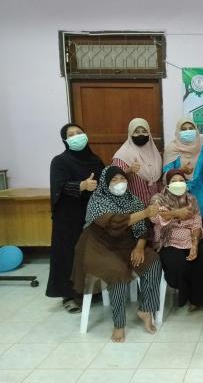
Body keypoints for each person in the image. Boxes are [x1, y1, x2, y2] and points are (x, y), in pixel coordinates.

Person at [71, 166, 162, 343]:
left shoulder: (133, 200)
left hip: (126, 245)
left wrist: (140, 247)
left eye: (122, 179)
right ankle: (119, 324)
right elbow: (115, 224)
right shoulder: (98, 200)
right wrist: (144, 213)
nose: (120, 183)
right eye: (114, 180)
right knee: (118, 270)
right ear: (105, 184)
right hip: (99, 247)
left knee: (153, 260)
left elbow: (142, 229)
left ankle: (146, 309)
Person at [46, 123, 104, 313]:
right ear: (65, 140)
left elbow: (105, 181)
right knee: (69, 254)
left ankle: (91, 291)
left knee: (91, 252)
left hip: (92, 213)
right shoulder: (60, 161)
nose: (76, 136)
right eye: (71, 134)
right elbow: (59, 187)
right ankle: (69, 295)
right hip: (68, 216)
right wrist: (82, 185)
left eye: (79, 132)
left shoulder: (95, 160)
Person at [150, 169, 203, 310]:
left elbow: (197, 223)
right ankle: (187, 294)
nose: (178, 183)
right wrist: (176, 213)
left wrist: (195, 244)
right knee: (178, 263)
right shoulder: (158, 199)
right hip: (168, 241)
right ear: (167, 184)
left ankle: (202, 299)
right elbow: (155, 217)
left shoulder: (191, 199)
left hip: (190, 238)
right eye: (174, 181)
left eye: (181, 181)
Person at [163, 118, 203, 219]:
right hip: (178, 196)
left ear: (196, 130)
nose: (188, 131)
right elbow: (166, 176)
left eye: (191, 128)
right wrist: (180, 170)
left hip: (201, 194)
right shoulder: (171, 149)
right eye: (184, 129)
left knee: (201, 224)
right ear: (178, 131)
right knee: (182, 224)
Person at [112, 118, 162, 205]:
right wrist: (129, 170)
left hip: (156, 205)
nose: (141, 134)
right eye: (136, 132)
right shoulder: (122, 155)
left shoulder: (155, 153)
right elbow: (114, 179)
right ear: (130, 134)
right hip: (134, 206)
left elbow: (159, 180)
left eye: (144, 131)